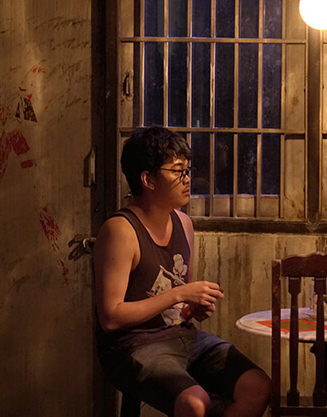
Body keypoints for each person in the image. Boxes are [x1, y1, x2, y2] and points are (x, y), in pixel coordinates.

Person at [93, 126, 271, 417]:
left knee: (257, 386)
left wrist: (194, 307)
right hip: (133, 345)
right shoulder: (120, 230)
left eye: (187, 170)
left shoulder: (184, 224)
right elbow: (111, 317)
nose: (187, 179)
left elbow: (180, 308)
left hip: (182, 336)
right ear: (148, 179)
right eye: (177, 171)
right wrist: (179, 294)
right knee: (194, 402)